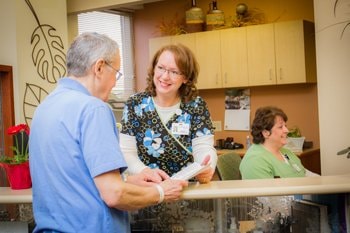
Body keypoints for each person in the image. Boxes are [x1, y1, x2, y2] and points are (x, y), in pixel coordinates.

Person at [29, 32, 188, 233]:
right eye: (116, 73)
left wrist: (128, 181)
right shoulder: (94, 109)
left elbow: (74, 180)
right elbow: (114, 195)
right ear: (99, 67)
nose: (114, 82)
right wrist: (160, 192)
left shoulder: (44, 108)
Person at [119, 43, 217, 184]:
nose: (165, 76)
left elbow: (204, 147)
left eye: (174, 72)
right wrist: (145, 172)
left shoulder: (196, 106)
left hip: (185, 190)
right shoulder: (135, 104)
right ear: (153, 69)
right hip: (148, 190)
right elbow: (126, 152)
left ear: (186, 78)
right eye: (161, 68)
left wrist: (206, 167)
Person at [239, 106, 319, 179]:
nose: (286, 130)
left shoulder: (286, 153)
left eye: (285, 126)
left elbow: (304, 172)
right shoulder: (255, 161)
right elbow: (267, 194)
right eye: (281, 127)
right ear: (266, 133)